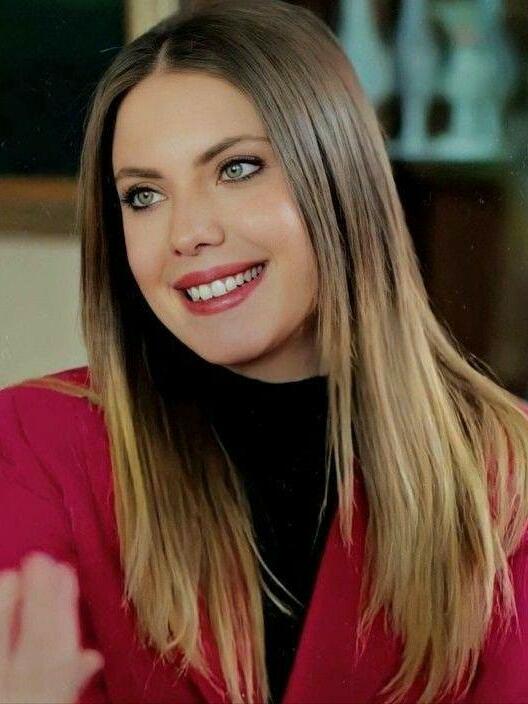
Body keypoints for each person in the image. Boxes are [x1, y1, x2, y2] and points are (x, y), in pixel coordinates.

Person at [1, 1, 528, 702]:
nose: (187, 232)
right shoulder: (32, 446)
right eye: (144, 195)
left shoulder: (506, 473)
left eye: (238, 168)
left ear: (337, 176)